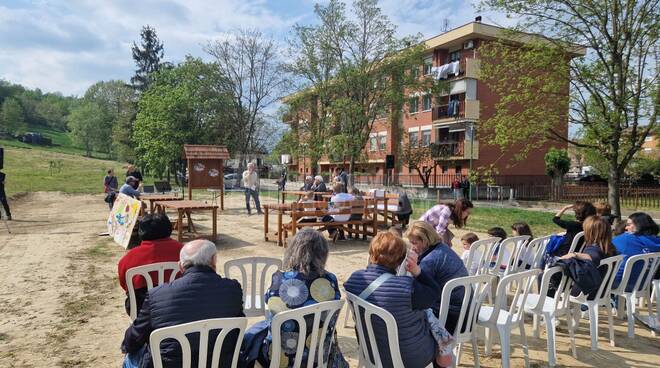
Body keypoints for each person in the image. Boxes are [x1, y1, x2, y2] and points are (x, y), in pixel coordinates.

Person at [121, 240, 244, 368]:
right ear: (214, 261)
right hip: (221, 363)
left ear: (180, 266)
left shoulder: (156, 295)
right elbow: (237, 329)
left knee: (131, 356)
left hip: (169, 364)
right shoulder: (233, 289)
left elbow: (133, 339)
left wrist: (126, 346)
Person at [344, 232, 453, 368]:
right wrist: (417, 271)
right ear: (401, 260)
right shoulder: (407, 287)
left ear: (371, 253)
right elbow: (434, 294)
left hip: (372, 352)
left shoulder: (354, 280)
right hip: (409, 358)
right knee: (437, 334)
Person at [240, 229, 346, 367]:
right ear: (323, 254)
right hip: (318, 357)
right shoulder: (330, 280)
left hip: (280, 359)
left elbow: (269, 308)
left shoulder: (277, 279)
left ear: (293, 252)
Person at [406, 221, 469, 334]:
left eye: (414, 243)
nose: (412, 246)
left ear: (424, 241)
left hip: (449, 318)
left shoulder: (429, 260)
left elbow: (418, 294)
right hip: (467, 313)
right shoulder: (443, 248)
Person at [117, 213, 184, 316]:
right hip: (178, 306)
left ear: (141, 232)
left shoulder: (129, 257)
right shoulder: (184, 251)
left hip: (141, 310)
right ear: (169, 229)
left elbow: (125, 285)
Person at [559, 216, 617, 298]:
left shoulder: (593, 248)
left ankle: (548, 307)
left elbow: (593, 257)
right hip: (604, 290)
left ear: (589, 232)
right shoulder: (611, 248)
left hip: (588, 292)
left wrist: (576, 254)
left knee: (549, 279)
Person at [612, 212, 660, 290]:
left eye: (629, 224)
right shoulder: (657, 242)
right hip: (645, 284)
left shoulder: (626, 239)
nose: (626, 228)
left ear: (639, 225)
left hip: (622, 282)